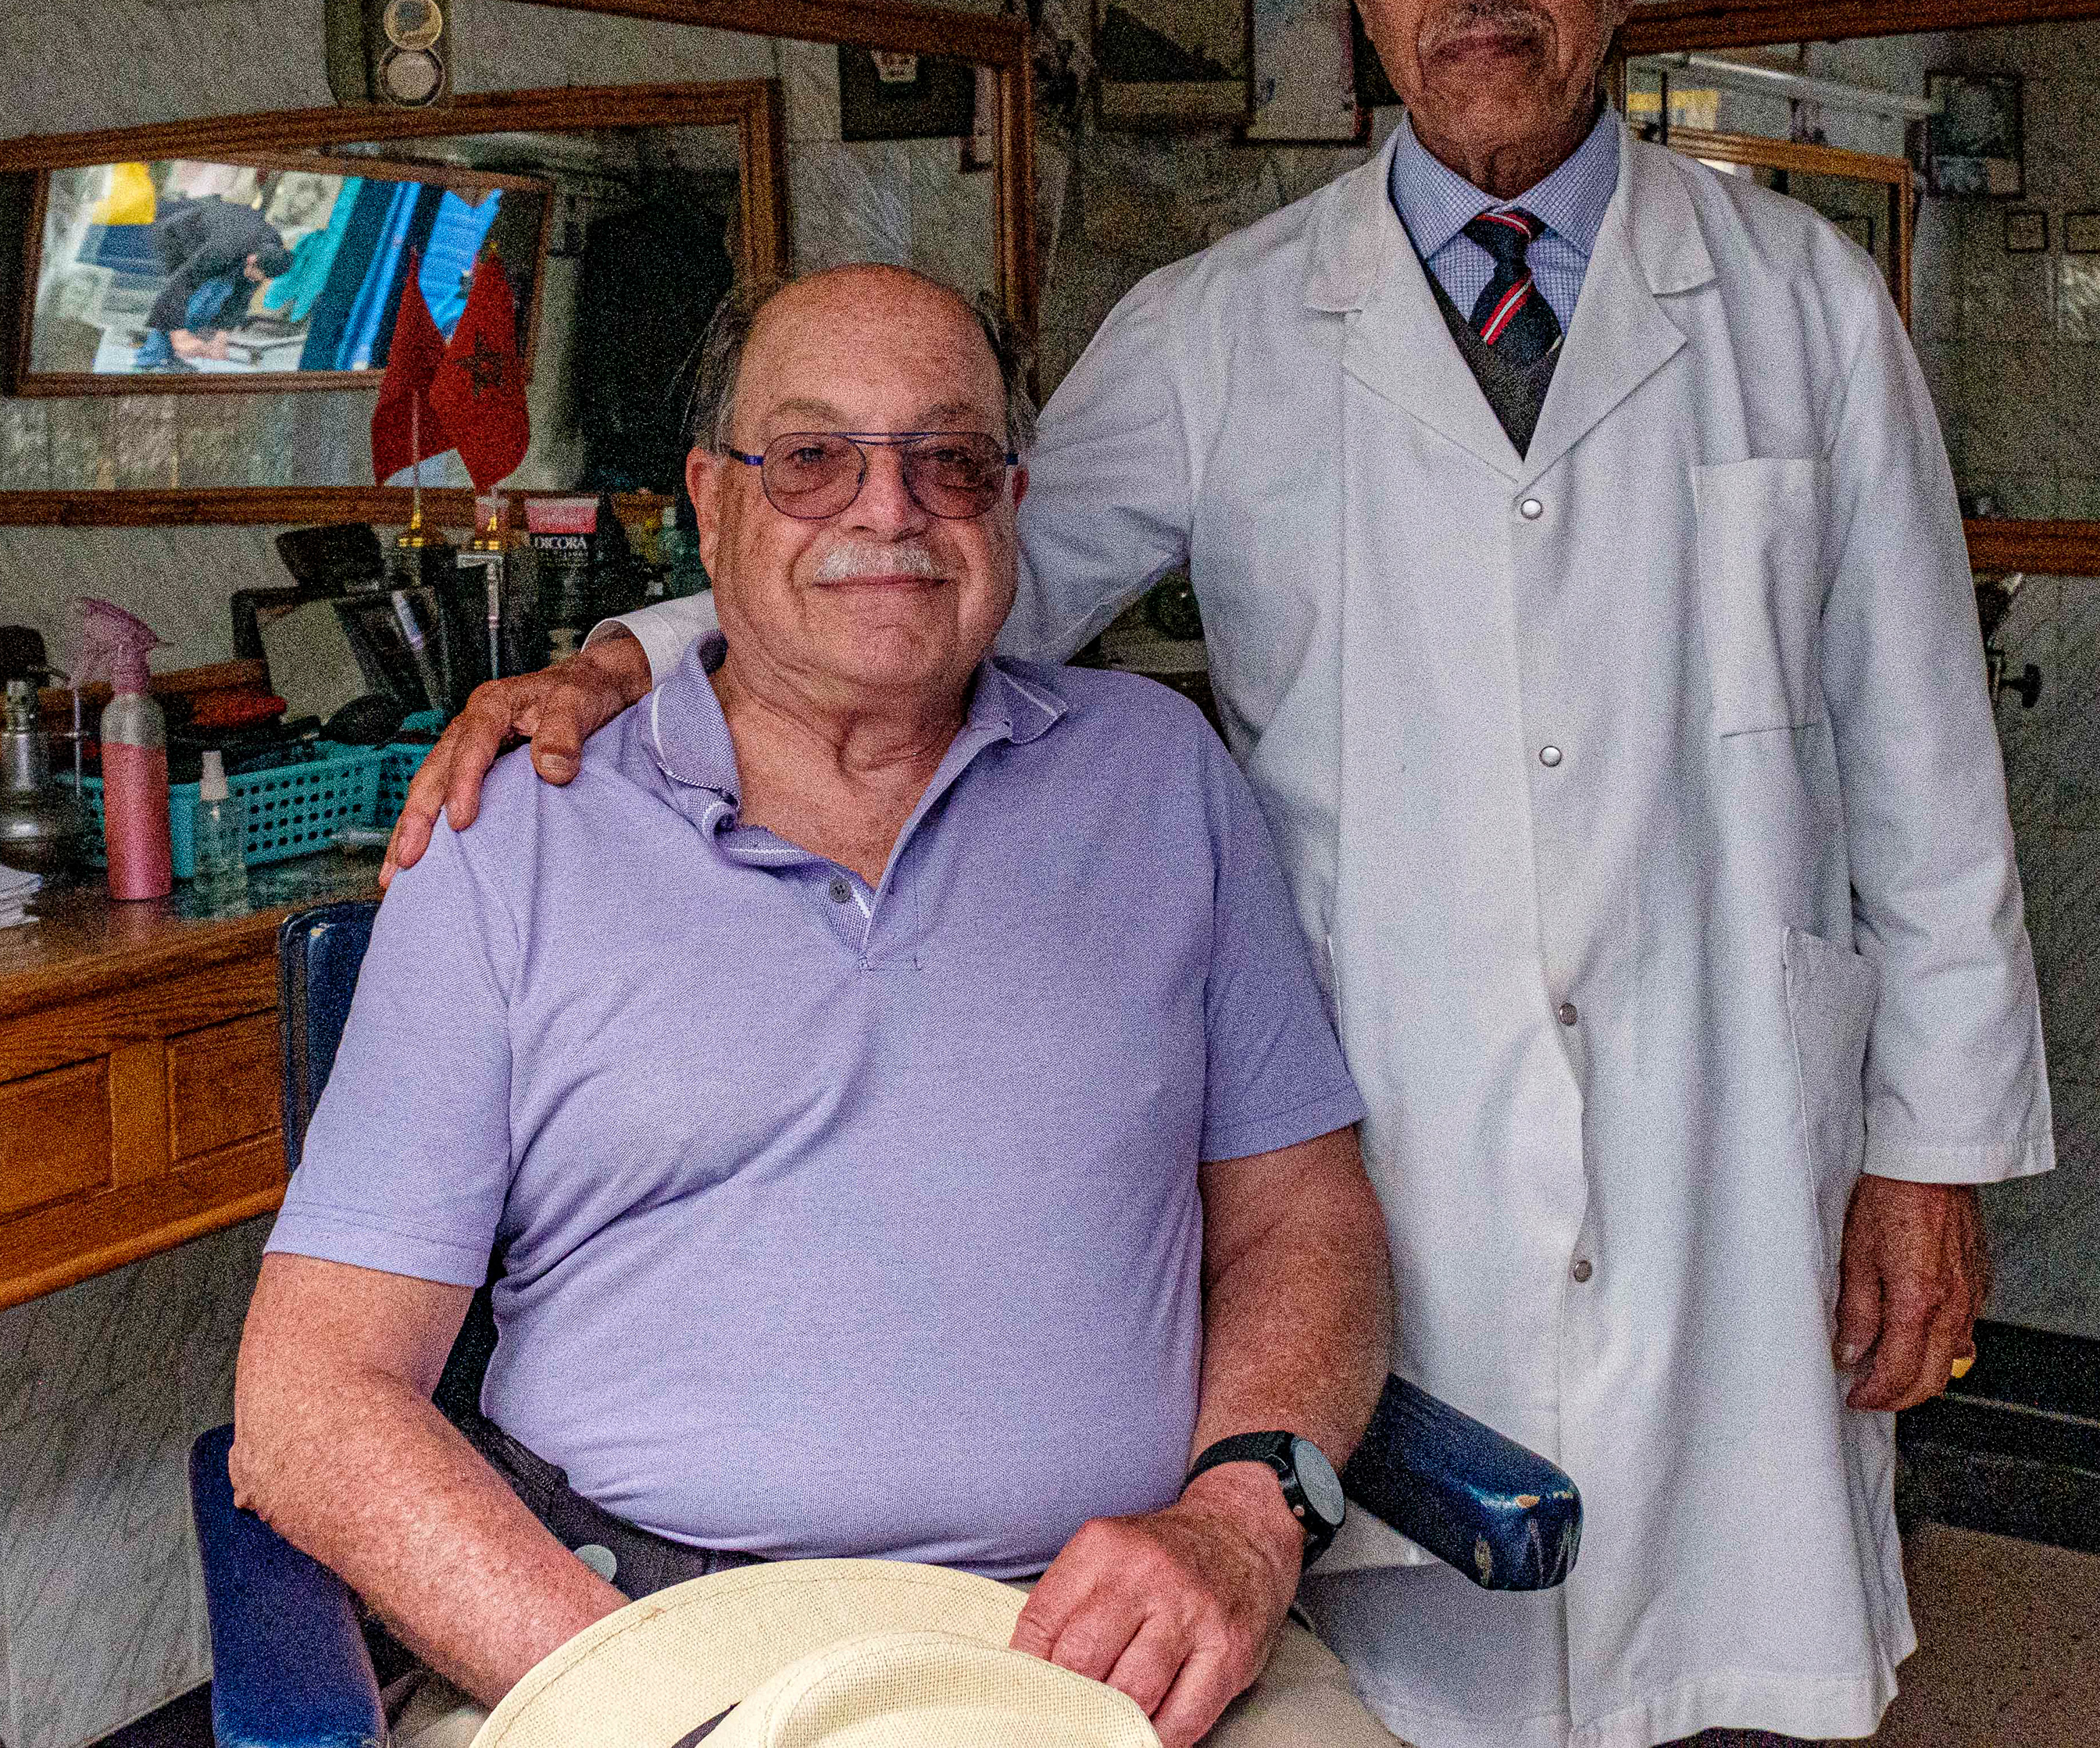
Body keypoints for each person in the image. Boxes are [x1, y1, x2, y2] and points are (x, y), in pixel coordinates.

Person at [386, 0, 2052, 1748]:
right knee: (1391, 1652)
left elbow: (1922, 749)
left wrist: (1931, 1150)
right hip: (1392, 1105)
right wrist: (632, 655)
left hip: (1725, 1094)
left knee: (1711, 1653)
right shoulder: (1222, 328)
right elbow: (947, 556)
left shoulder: (1806, 305)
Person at [235, 263, 1403, 1748]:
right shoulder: (514, 832)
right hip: (622, 1632)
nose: (887, 510)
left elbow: (1306, 1215)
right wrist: (657, 1704)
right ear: (710, 508)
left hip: (1112, 1642)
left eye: (948, 459)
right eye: (813, 460)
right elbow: (314, 1399)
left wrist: (1244, 1515)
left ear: (1013, 501)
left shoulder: (1158, 776)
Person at [135, 191, 292, 370]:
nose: (258, 280)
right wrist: (179, 335)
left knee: (216, 296)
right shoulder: (223, 250)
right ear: (252, 260)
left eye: (263, 279)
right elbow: (179, 287)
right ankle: (152, 359)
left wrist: (221, 338)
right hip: (178, 238)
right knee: (199, 300)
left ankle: (168, 354)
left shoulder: (272, 250)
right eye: (258, 274)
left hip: (224, 240)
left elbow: (242, 296)